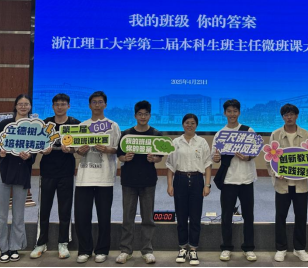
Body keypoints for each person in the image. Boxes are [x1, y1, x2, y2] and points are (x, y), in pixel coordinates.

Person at [30, 94, 81, 259]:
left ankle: (63, 243)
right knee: (44, 209)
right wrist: (42, 150)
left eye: (63, 104)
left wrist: (71, 149)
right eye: (57, 104)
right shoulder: (45, 124)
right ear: (52, 106)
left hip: (66, 172)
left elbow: (80, 147)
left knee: (65, 209)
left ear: (68, 106)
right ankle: (41, 243)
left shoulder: (75, 124)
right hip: (47, 172)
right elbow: (36, 144)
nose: (60, 107)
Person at [73, 91, 121, 264]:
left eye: (100, 102)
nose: (97, 105)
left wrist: (108, 149)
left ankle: (102, 250)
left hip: (104, 178)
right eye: (94, 102)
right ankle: (84, 250)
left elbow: (118, 149)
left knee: (104, 216)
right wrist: (80, 150)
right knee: (81, 216)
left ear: (105, 105)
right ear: (89, 105)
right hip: (84, 177)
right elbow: (76, 150)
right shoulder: (82, 126)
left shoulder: (113, 125)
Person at [0, 94, 36, 263]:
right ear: (15, 106)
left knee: (18, 214)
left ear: (30, 107)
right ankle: (3, 248)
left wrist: (29, 157)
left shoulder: (33, 126)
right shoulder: (4, 124)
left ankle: (15, 246)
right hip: (3, 171)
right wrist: (0, 153)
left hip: (22, 172)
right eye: (20, 104)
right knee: (1, 215)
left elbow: (34, 152)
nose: (23, 107)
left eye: (26, 104)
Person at [116, 100, 163, 265]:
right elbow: (119, 155)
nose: (143, 117)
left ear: (150, 115)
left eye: (146, 114)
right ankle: (125, 250)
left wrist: (154, 159)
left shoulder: (156, 134)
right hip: (129, 181)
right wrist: (125, 157)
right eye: (140, 114)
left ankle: (147, 250)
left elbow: (160, 157)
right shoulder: (127, 134)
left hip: (148, 181)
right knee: (127, 217)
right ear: (135, 115)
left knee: (148, 218)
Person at [212, 99, 257, 262]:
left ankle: (248, 248)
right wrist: (216, 158)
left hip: (246, 179)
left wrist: (248, 156)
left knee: (248, 215)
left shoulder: (248, 130)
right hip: (228, 180)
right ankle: (226, 247)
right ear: (225, 113)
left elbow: (255, 151)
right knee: (226, 216)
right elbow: (215, 156)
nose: (232, 114)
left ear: (239, 112)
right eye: (229, 111)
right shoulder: (220, 134)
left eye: (235, 111)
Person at [268, 104, 308, 264]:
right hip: (282, 185)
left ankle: (299, 248)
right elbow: (270, 159)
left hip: (301, 185)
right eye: (286, 115)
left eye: (292, 114)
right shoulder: (276, 134)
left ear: (297, 116)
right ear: (282, 117)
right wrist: (275, 173)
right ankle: (281, 248)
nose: (289, 117)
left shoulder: (306, 134)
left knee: (301, 216)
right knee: (280, 216)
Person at [166, 114, 213, 266]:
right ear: (182, 124)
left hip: (197, 180)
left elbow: (208, 165)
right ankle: (182, 248)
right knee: (181, 216)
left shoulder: (202, 142)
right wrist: (170, 184)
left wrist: (207, 185)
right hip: (179, 180)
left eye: (193, 123)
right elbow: (170, 166)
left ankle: (193, 249)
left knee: (195, 216)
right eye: (187, 122)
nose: (190, 125)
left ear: (196, 125)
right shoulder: (176, 142)